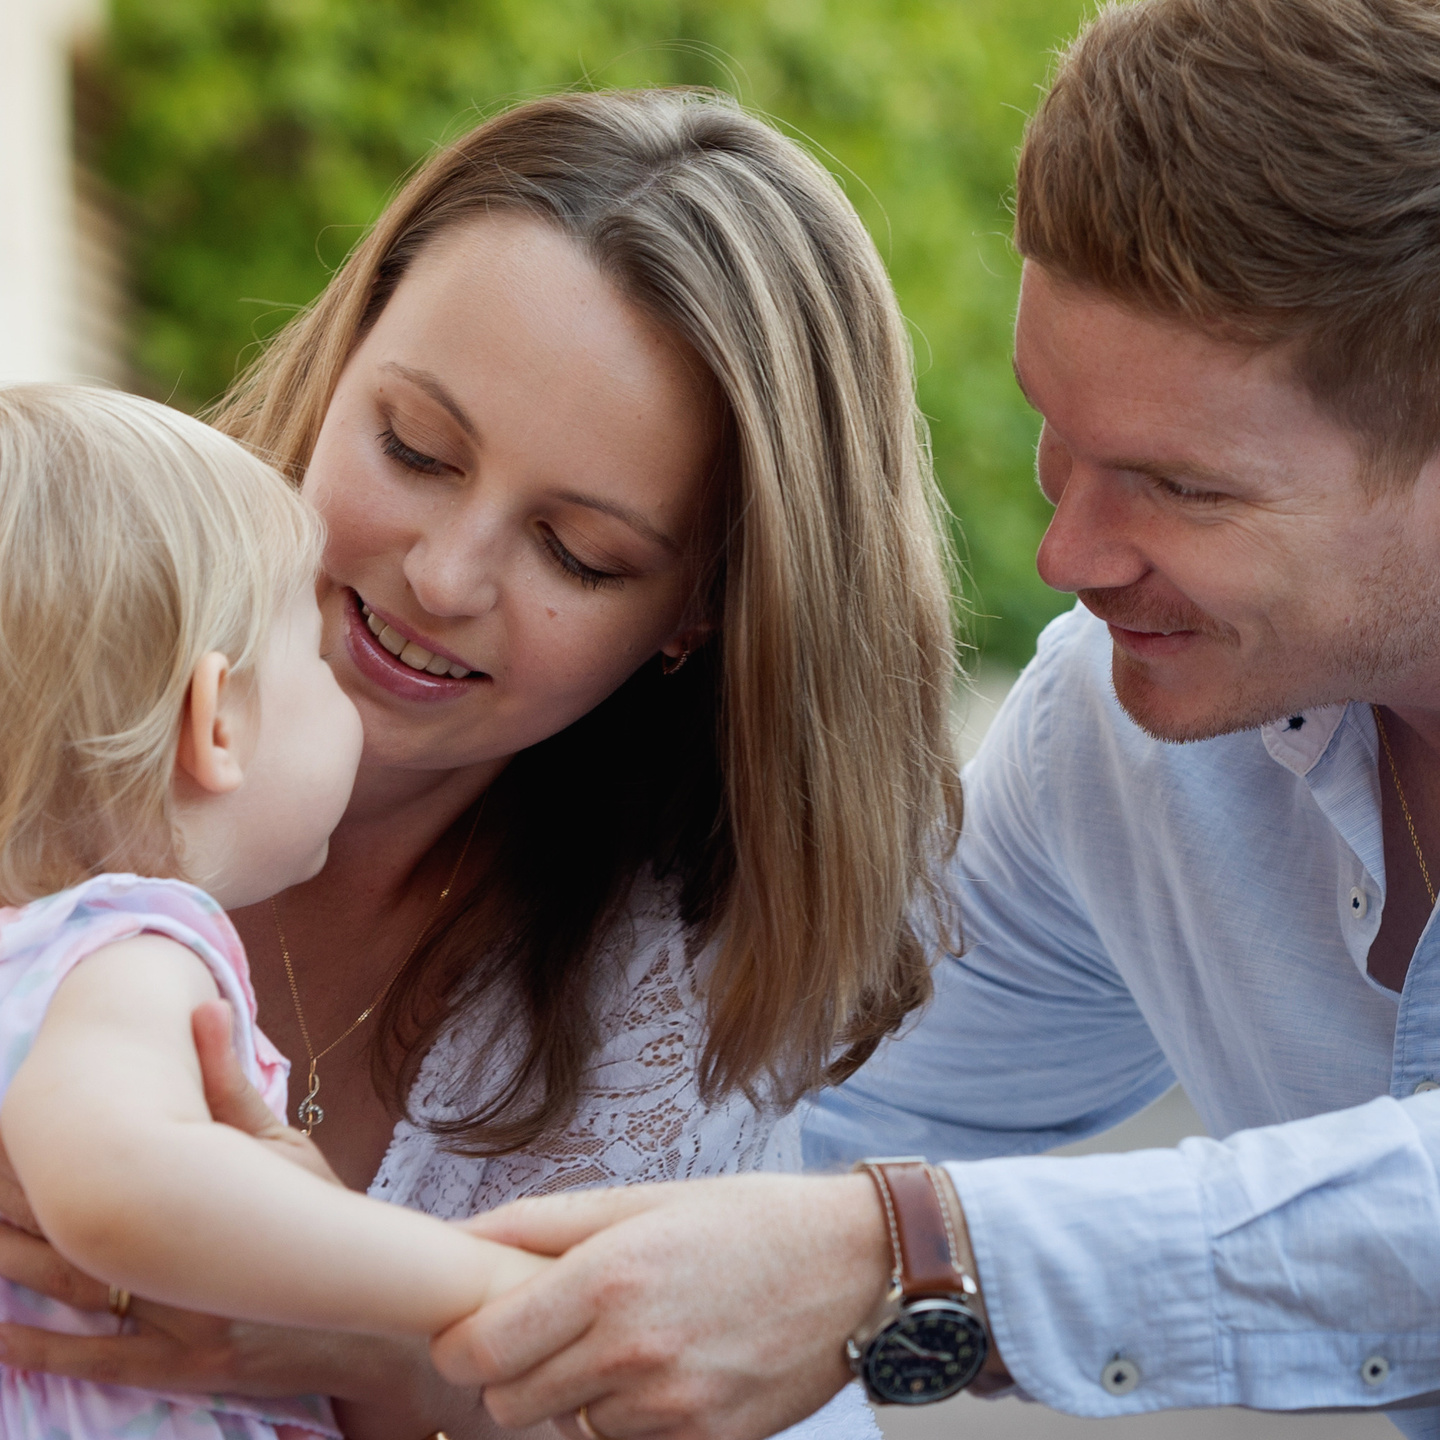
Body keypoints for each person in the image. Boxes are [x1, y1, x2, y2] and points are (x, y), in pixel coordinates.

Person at [425, 2, 1440, 1438]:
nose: (1066, 557)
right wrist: (299, 1267)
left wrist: (910, 1265)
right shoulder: (1116, 743)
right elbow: (777, 1144)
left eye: (1181, 487)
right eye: (1056, 434)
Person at [0, 92, 962, 1440]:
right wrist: (506, 1301)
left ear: (700, 613)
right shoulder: (41, 650)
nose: (444, 577)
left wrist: (386, 1362)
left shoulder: (668, 1002)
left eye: (581, 553)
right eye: (414, 448)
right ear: (341, 361)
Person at [0, 384, 554, 1439]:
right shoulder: (123, 952)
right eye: (314, 659)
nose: (347, 700)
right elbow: (122, 1182)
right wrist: (479, 1284)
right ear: (218, 725)